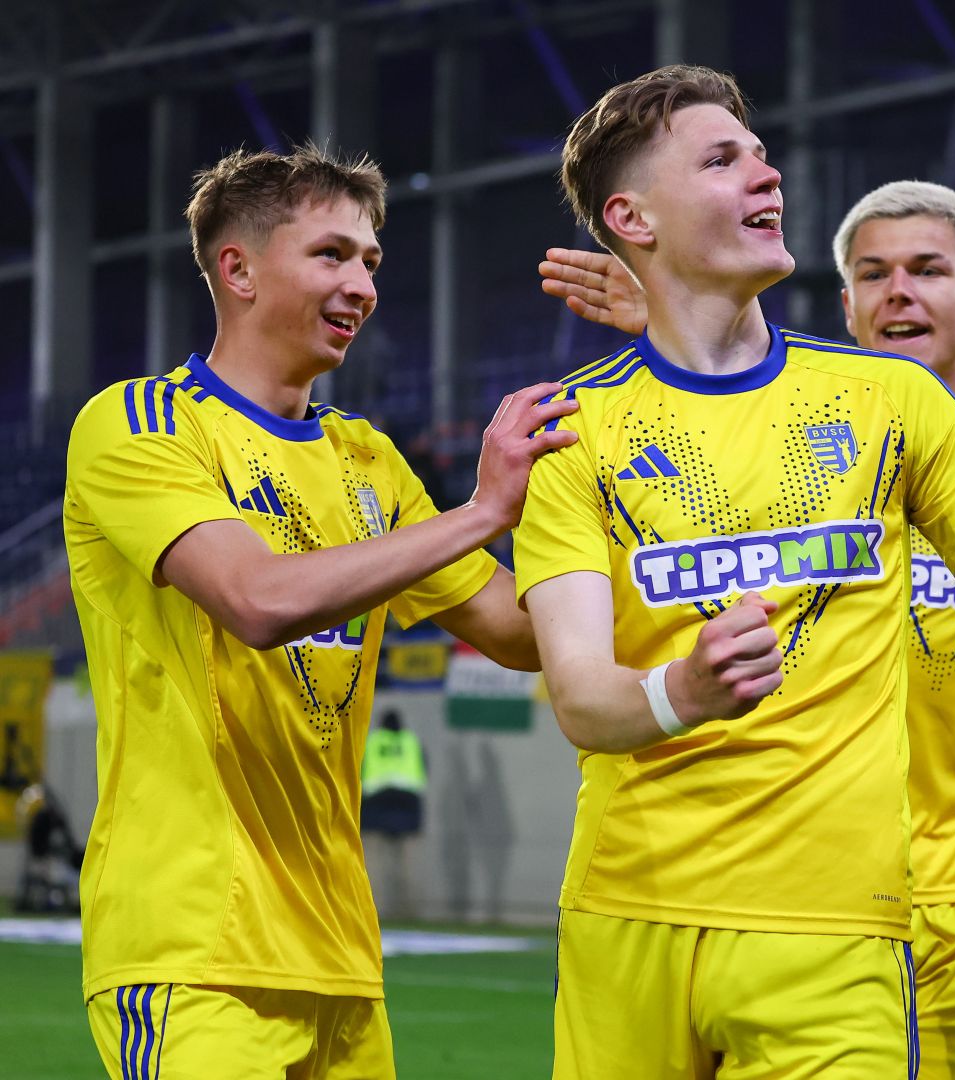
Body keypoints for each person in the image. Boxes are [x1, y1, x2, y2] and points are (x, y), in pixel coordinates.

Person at [516, 65, 955, 1079]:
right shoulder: (569, 430)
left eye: (761, 154)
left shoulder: (891, 402)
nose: (767, 174)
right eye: (722, 160)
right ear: (630, 218)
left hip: (839, 934)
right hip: (625, 920)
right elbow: (583, 700)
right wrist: (684, 690)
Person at [63, 143, 577, 1080]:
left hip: (340, 959)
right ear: (238, 270)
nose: (362, 286)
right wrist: (479, 514)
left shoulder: (368, 459)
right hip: (194, 950)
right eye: (332, 255)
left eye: (371, 261)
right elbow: (257, 600)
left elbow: (517, 629)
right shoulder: (139, 425)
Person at [541, 180, 955, 1078]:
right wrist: (679, 323)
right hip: (800, 889)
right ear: (846, 305)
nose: (900, 292)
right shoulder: (739, 441)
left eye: (928, 270)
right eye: (873, 274)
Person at [361, 709, 428, 918]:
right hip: (407, 801)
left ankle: (375, 906)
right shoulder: (411, 741)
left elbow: (359, 768)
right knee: (406, 856)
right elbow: (424, 768)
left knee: (375, 857)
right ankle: (408, 907)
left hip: (376, 799)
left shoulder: (373, 741)